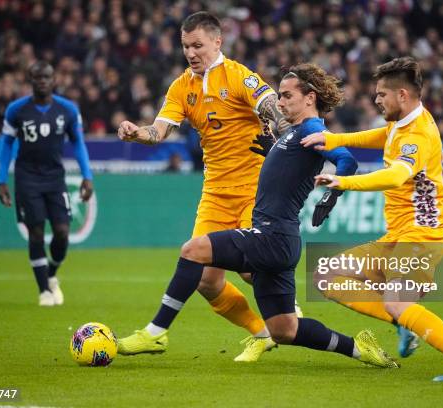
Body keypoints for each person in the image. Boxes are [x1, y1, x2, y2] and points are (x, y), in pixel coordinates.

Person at [117, 62, 397, 367]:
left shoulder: (313, 130)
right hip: (281, 242)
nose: (279, 102)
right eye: (279, 96)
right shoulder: (293, 135)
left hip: (271, 235)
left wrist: (335, 190)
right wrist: (273, 149)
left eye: (287, 95)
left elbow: (345, 159)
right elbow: (291, 168)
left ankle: (156, 331)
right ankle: (359, 348)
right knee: (284, 330)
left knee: (193, 250)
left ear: (310, 97)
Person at [117, 12, 342, 362]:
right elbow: (159, 130)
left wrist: (288, 135)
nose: (191, 53)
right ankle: (263, 332)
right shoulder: (181, 87)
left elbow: (274, 109)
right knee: (207, 280)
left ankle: (284, 312)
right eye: (185, 46)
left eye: (198, 45)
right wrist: (138, 132)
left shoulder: (240, 77)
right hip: (215, 193)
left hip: (255, 189)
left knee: (253, 270)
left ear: (217, 42)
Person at [302, 57, 443, 382]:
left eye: (381, 95)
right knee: (326, 275)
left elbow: (394, 177)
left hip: (421, 237)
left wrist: (345, 181)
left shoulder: (417, 136)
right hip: (397, 236)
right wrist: (335, 140)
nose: (376, 100)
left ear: (402, 95)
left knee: (395, 302)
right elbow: (381, 136)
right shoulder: (403, 123)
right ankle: (406, 323)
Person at [0, 61, 93, 307]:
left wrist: (87, 175)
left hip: (55, 178)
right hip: (27, 178)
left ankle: (51, 273)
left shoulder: (68, 110)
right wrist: (1, 180)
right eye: (38, 77)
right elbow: (7, 144)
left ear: (54, 80)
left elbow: (78, 143)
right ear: (31, 80)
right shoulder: (16, 110)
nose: (42, 81)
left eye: (47, 77)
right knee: (36, 232)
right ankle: (44, 292)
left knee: (62, 233)